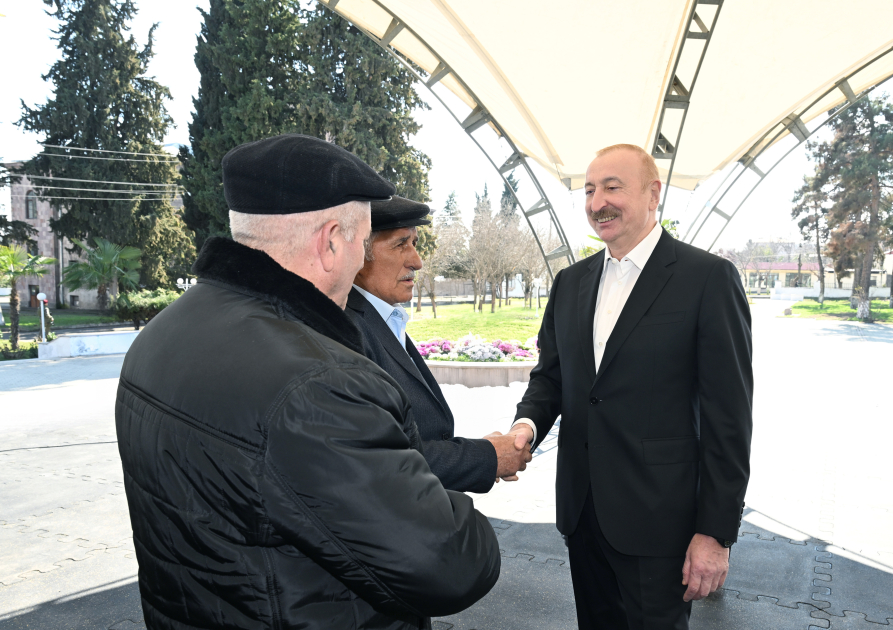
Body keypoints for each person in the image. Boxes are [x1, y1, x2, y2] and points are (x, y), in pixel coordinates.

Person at [116, 134, 500, 630]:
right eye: (363, 242)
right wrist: (448, 503)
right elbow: (451, 562)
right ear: (331, 241)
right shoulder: (319, 385)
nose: (362, 256)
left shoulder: (161, 335)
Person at [508, 144, 753, 629]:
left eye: (613, 187)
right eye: (590, 190)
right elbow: (552, 377)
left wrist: (715, 533)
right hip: (582, 515)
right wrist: (526, 425)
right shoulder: (570, 283)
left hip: (662, 523)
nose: (598, 201)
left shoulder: (708, 279)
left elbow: (730, 418)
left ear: (652, 194)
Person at [346, 196, 531, 494]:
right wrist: (488, 457)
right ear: (357, 253)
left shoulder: (382, 317)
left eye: (414, 243)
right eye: (400, 244)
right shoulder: (348, 329)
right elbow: (381, 461)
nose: (417, 261)